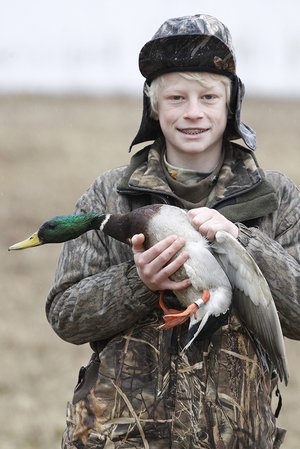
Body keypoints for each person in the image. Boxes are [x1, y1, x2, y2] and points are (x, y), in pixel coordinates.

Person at [46, 14, 300, 449]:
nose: (193, 112)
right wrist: (138, 283)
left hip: (235, 440)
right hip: (119, 438)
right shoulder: (109, 194)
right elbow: (66, 317)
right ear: (154, 107)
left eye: (209, 97)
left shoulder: (276, 197)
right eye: (177, 97)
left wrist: (246, 241)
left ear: (231, 104)